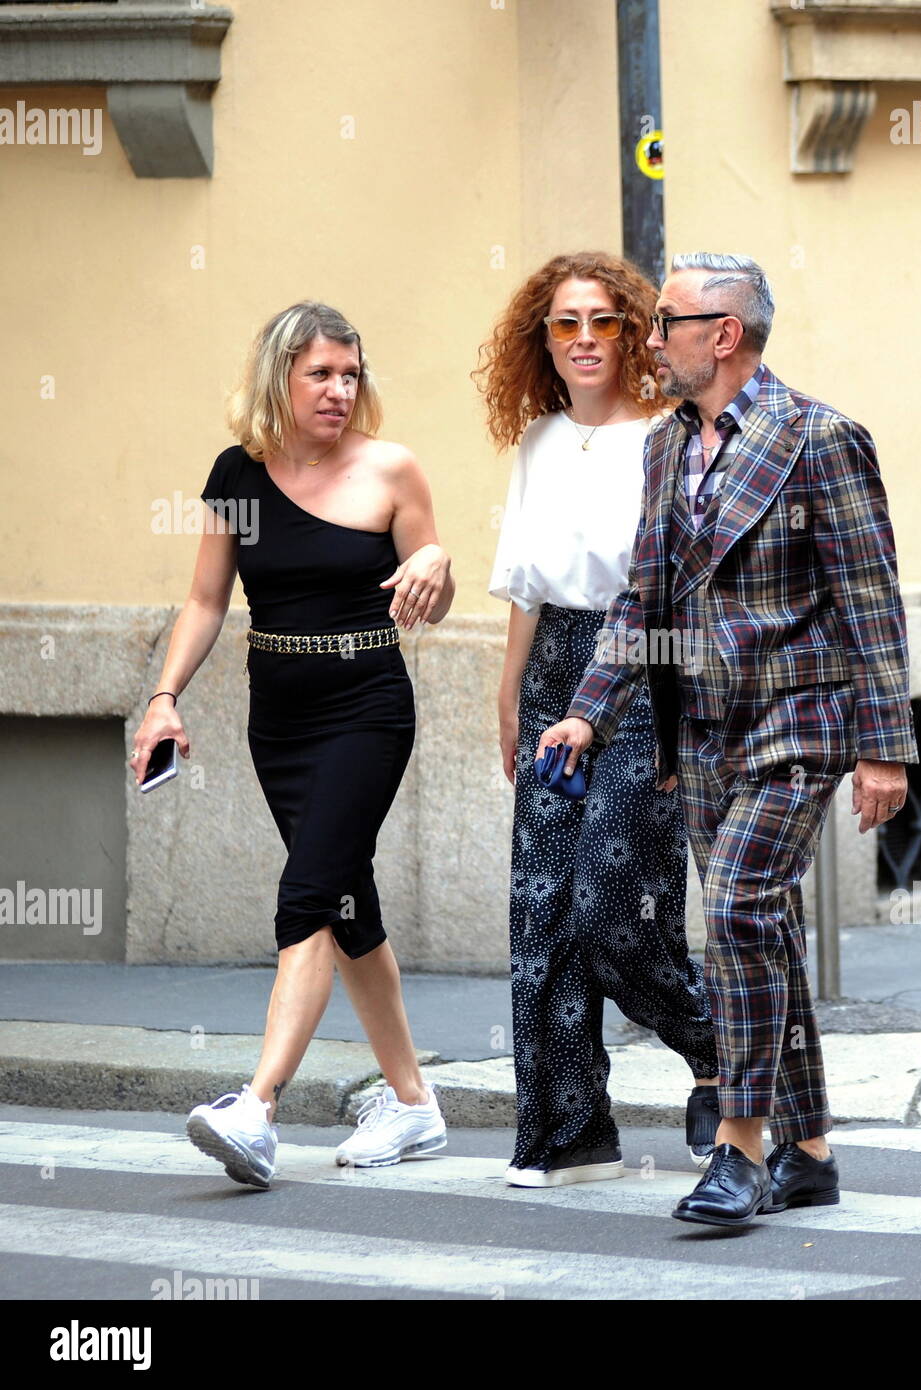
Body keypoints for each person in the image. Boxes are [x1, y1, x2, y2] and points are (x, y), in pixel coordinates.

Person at [538, 253, 919, 1226]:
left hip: (799, 718)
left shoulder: (819, 440)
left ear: (724, 333)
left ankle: (739, 1147)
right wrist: (588, 706)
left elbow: (869, 599)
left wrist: (885, 745)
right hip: (702, 733)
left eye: (663, 321)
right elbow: (646, 594)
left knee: (743, 908)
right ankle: (813, 1150)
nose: (646, 338)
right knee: (768, 934)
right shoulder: (668, 446)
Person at [128, 301, 454, 1189]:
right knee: (348, 907)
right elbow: (205, 602)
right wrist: (163, 699)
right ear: (280, 377)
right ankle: (414, 1104)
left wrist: (436, 565)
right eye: (321, 374)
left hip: (366, 707)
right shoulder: (237, 474)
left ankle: (258, 1107)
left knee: (309, 890)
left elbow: (435, 589)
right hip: (279, 718)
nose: (339, 391)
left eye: (351, 374)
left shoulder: (391, 470)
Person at [475, 251, 721, 1187]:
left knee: (613, 904)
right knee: (541, 910)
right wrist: (509, 696)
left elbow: (674, 591)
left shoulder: (669, 436)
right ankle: (567, 1131)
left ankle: (721, 1052)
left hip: (643, 674)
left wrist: (675, 716)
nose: (583, 339)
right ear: (543, 340)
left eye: (602, 321)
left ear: (632, 332)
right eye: (564, 324)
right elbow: (526, 587)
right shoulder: (537, 440)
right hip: (549, 678)